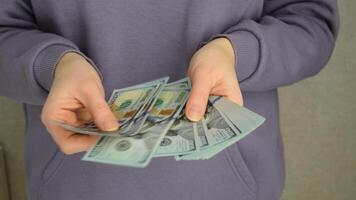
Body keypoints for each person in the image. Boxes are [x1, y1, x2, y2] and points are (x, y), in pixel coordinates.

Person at [0, 0, 338, 200]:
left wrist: (237, 54)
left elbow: (309, 20)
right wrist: (50, 65)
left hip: (230, 188)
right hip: (72, 187)